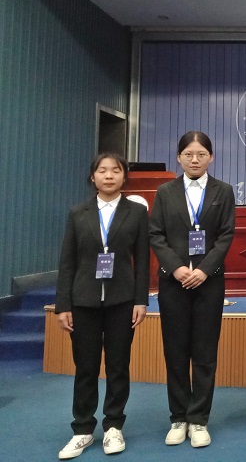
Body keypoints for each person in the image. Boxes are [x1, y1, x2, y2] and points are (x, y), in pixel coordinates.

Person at [55, 153, 150, 460]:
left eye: (116, 170)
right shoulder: (77, 213)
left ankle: (113, 426)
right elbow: (67, 261)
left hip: (122, 301)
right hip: (83, 301)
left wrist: (141, 300)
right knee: (86, 367)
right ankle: (82, 429)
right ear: (93, 176)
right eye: (103, 170)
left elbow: (143, 259)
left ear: (124, 176)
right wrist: (63, 305)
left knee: (118, 366)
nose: (109, 176)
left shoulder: (137, 212)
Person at [148, 131, 235, 448]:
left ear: (211, 157)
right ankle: (178, 418)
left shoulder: (223, 191)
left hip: (208, 283)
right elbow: (156, 234)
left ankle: (198, 419)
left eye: (201, 154)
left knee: (205, 353)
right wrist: (176, 267)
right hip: (174, 283)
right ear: (179, 157)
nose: (195, 159)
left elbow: (226, 235)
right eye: (188, 154)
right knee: (175, 353)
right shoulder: (165, 191)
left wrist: (203, 270)